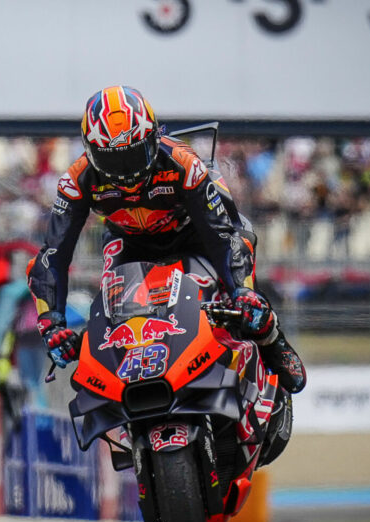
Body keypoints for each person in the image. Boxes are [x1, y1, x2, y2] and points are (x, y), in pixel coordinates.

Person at [26, 85, 306, 393]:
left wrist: (242, 291)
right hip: (130, 243)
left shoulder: (183, 164)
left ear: (153, 137)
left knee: (242, 292)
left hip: (195, 234)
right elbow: (52, 256)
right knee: (111, 316)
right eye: (112, 161)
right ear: (91, 153)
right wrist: (52, 324)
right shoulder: (75, 181)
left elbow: (222, 236)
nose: (127, 172)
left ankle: (271, 337)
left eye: (134, 154)